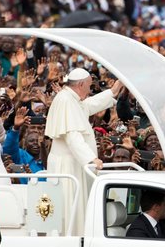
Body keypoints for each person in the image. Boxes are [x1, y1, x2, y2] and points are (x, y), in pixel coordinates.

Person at [45, 68, 123, 236]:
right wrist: (92, 159)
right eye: (89, 85)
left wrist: (113, 91)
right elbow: (72, 136)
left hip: (74, 163)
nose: (90, 89)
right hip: (66, 165)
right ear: (80, 84)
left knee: (78, 205)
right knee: (69, 207)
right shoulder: (66, 100)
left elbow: (88, 105)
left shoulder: (73, 98)